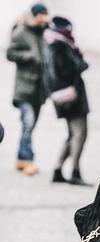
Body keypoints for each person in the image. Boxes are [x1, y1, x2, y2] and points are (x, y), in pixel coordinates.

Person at [44, 16, 91, 185]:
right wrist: (79, 56)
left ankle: (58, 169)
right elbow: (73, 68)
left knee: (72, 134)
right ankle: (75, 172)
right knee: (80, 134)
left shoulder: (53, 45)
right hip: (71, 97)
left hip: (63, 96)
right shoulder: (61, 46)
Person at [6, 3, 49, 176]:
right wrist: (28, 57)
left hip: (39, 89)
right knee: (28, 124)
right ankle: (28, 160)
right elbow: (10, 53)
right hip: (24, 87)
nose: (44, 18)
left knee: (30, 126)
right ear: (34, 15)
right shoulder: (22, 32)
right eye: (41, 14)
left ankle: (20, 159)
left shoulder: (43, 32)